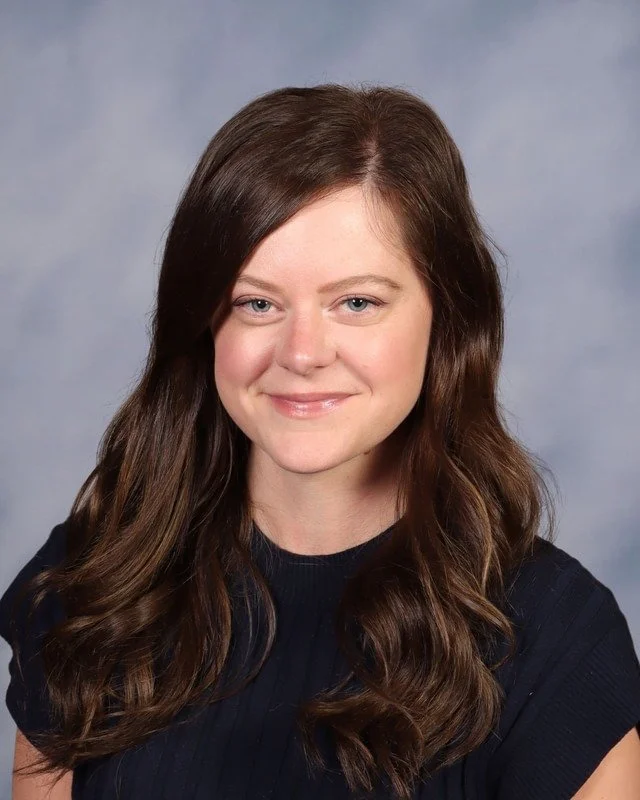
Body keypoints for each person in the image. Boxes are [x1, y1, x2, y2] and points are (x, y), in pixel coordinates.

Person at [1, 83, 639, 800]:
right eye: (257, 303)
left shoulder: (558, 642)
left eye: (357, 302)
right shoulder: (94, 583)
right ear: (205, 321)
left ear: (448, 321)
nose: (302, 352)